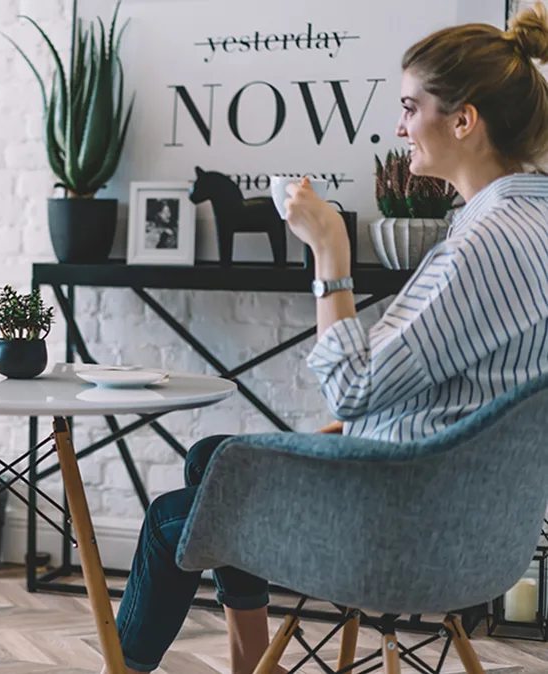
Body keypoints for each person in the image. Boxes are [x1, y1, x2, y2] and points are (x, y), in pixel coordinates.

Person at [107, 4, 548, 673]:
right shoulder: (531, 224)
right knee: (214, 458)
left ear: (463, 120)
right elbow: (471, 396)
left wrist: (328, 252)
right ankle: (251, 664)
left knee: (173, 518)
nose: (398, 127)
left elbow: (353, 386)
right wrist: (352, 429)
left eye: (410, 107)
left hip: (397, 536)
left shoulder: (486, 245)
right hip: (472, 523)